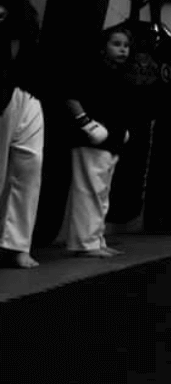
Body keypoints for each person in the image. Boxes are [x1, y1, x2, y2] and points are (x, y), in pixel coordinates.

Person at [59, 25, 133, 258]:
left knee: (102, 193)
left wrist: (123, 131)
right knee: (89, 191)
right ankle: (85, 244)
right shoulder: (91, 69)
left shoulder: (121, 75)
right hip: (91, 138)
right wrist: (86, 123)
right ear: (103, 47)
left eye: (126, 45)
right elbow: (70, 95)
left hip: (112, 140)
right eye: (116, 44)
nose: (123, 50)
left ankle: (97, 239)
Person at [0, 0, 48, 268]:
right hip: (6, 90)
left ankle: (17, 245)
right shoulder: (7, 1)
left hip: (29, 94)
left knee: (30, 167)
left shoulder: (29, 8)